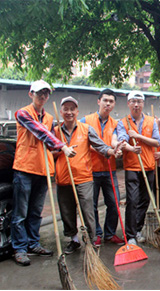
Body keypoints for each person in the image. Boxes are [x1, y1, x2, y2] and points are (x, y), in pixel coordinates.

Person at [11, 80, 76, 266]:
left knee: (36, 211)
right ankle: (20, 248)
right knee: (20, 212)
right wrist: (62, 145)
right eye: (39, 93)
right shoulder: (23, 113)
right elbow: (40, 132)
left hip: (43, 169)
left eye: (46, 93)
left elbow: (50, 141)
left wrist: (62, 145)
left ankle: (33, 243)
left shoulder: (49, 118)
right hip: (24, 168)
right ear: (31, 93)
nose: (43, 96)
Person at [54, 96, 121, 255]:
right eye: (66, 109)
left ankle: (91, 240)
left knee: (88, 210)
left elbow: (100, 145)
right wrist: (60, 151)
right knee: (67, 211)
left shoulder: (85, 128)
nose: (69, 112)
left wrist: (112, 151)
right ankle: (74, 239)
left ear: (77, 111)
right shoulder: (56, 131)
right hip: (63, 178)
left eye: (72, 109)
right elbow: (49, 151)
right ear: (61, 112)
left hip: (83, 177)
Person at [81, 89, 125, 247]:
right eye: (105, 100)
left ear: (114, 105)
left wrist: (117, 150)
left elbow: (116, 140)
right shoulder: (85, 121)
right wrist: (105, 150)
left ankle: (110, 233)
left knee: (114, 203)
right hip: (90, 170)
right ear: (98, 101)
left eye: (111, 101)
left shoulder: (116, 123)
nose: (108, 104)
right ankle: (96, 234)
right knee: (91, 205)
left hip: (109, 170)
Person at [117, 91, 160, 245]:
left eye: (139, 101)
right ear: (128, 104)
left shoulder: (151, 121)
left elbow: (157, 142)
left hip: (148, 166)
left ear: (143, 104)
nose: (136, 104)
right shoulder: (123, 122)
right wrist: (131, 148)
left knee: (145, 200)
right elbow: (122, 141)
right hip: (132, 167)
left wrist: (138, 137)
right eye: (133, 101)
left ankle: (137, 229)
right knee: (132, 200)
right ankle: (130, 235)